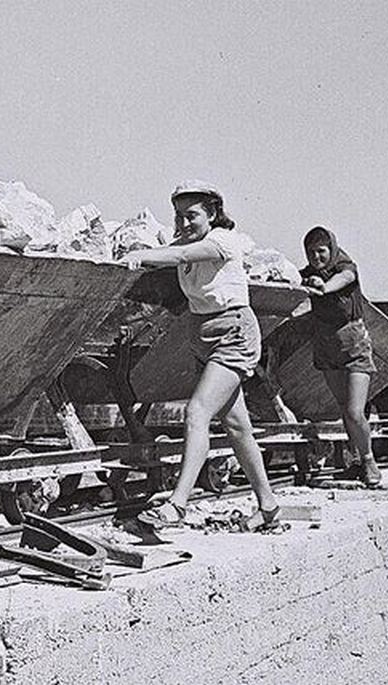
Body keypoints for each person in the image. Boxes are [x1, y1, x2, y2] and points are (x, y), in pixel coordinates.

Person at [122, 181, 280, 529]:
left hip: (233, 332)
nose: (184, 223)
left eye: (191, 215)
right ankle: (268, 505)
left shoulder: (222, 240)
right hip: (202, 335)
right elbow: (173, 250)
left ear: (212, 213)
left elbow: (176, 256)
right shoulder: (188, 241)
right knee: (238, 427)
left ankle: (177, 504)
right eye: (178, 216)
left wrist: (140, 257)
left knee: (197, 412)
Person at [300, 226, 381, 487]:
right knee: (344, 410)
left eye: (321, 251)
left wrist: (323, 286)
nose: (316, 257)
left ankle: (369, 462)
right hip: (327, 347)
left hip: (354, 345)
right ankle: (355, 461)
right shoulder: (309, 275)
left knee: (356, 411)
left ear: (331, 250)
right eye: (311, 252)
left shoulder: (346, 267)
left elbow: (342, 280)